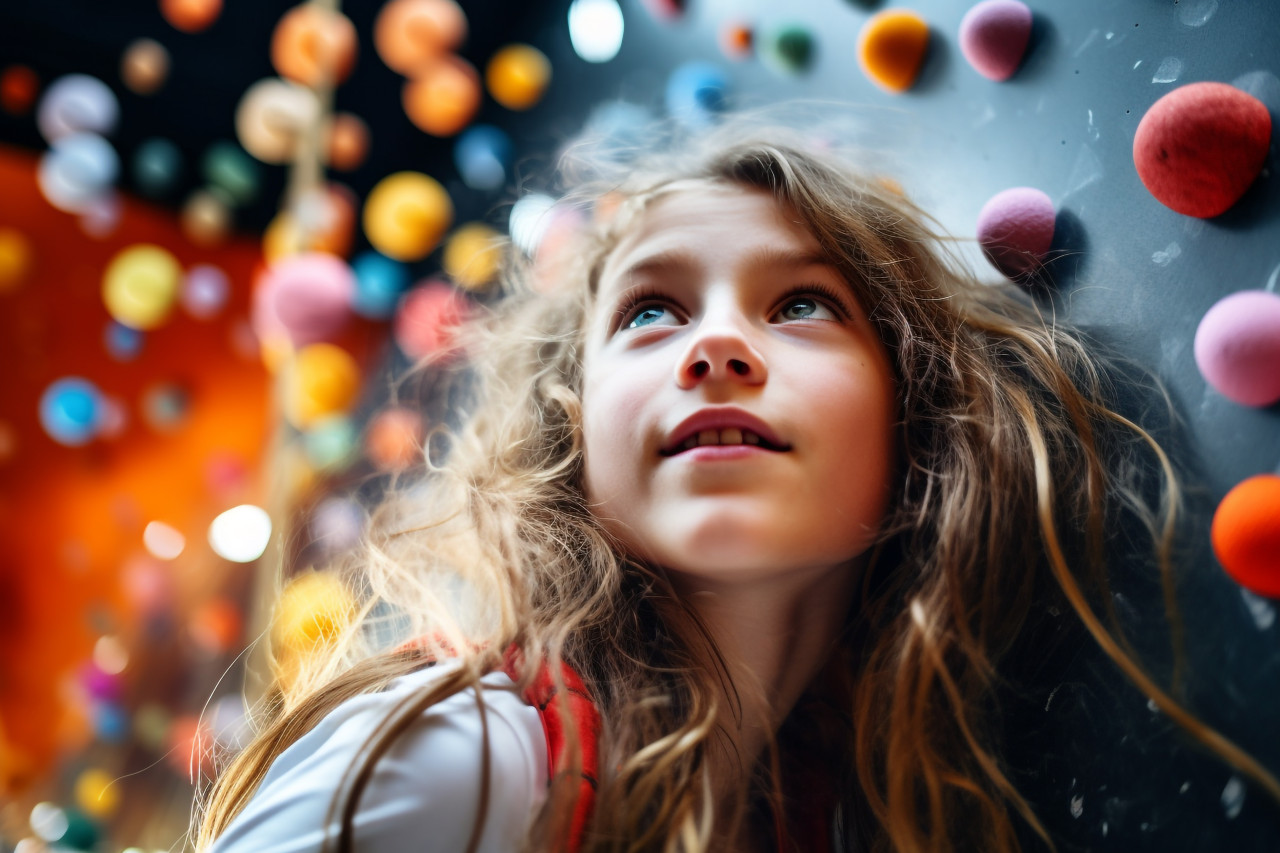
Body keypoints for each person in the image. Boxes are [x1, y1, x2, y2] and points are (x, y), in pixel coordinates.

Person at [196, 121, 1278, 853]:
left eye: (801, 304)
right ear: (575, 429)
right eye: (649, 312)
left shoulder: (834, 810)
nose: (713, 343)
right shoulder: (457, 759)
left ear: (915, 413)